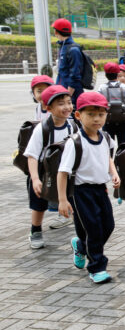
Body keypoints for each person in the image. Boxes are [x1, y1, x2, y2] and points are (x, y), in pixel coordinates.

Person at [57, 91, 120, 284]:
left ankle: (81, 246)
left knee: (108, 225)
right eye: (91, 114)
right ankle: (97, 267)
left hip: (101, 189)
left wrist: (113, 172)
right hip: (81, 191)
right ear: (78, 115)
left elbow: (107, 156)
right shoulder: (75, 142)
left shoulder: (106, 137)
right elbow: (63, 172)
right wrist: (62, 199)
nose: (96, 119)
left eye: (101, 114)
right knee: (93, 229)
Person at [24, 85, 75, 248]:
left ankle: (77, 228)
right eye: (61, 104)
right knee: (39, 203)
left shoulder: (73, 126)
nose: (67, 107)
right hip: (43, 171)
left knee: (71, 199)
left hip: (65, 171)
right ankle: (36, 230)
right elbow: (32, 156)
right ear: (48, 108)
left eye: (69, 102)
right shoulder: (42, 129)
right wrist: (35, 179)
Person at [52, 18, 84, 106]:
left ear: (56, 32)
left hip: (71, 96)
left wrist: (68, 97)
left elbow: (75, 76)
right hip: (63, 93)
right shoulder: (63, 46)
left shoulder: (73, 49)